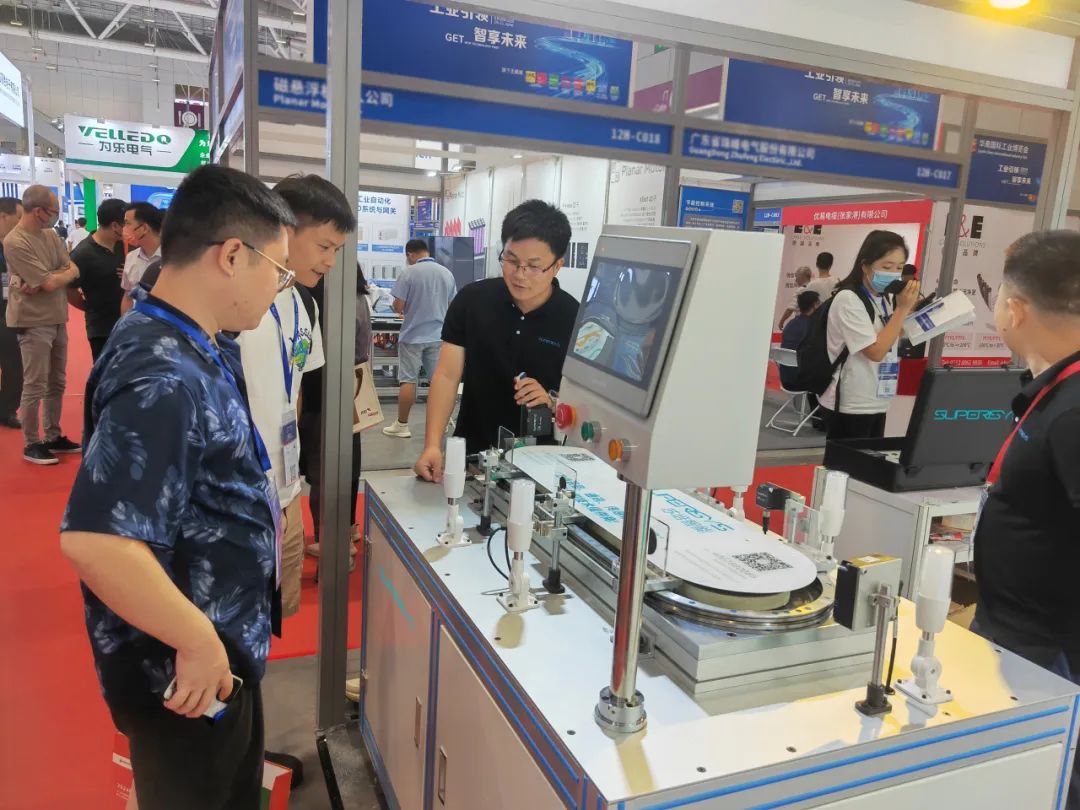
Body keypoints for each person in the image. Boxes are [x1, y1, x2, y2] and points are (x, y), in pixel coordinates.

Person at [59, 164, 296, 810]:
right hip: (186, 678)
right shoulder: (163, 373)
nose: (279, 289)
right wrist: (195, 640)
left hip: (211, 656)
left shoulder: (185, 339)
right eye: (278, 272)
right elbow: (97, 540)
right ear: (232, 256)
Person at [970, 231, 1080, 810]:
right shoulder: (1059, 389)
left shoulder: (1074, 410)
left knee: (1043, 780)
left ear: (1015, 310)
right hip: (1017, 634)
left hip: (1048, 651)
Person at [238, 174, 354, 625]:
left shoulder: (305, 304)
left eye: (337, 250)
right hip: (239, 496)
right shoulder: (238, 303)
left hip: (286, 496)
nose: (330, 262)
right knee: (229, 628)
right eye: (324, 246)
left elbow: (296, 389)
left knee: (272, 622)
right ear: (284, 229)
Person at [414, 199, 578, 480]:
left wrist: (553, 402)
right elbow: (447, 375)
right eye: (511, 260)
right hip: (472, 455)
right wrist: (432, 445)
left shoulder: (573, 318)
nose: (519, 274)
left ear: (557, 266)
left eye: (533, 266)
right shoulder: (472, 301)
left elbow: (588, 403)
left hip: (543, 463)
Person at [302, 264, 375, 569]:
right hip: (350, 390)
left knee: (322, 470)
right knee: (347, 464)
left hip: (320, 392)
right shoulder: (359, 298)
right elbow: (363, 348)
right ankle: (347, 530)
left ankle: (331, 542)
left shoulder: (313, 296)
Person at [4, 185, 82, 465]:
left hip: (58, 317)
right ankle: (31, 442)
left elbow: (72, 269)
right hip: (32, 321)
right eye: (53, 211)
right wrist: (53, 277)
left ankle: (52, 435)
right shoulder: (15, 241)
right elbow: (49, 282)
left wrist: (51, 277)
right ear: (38, 211)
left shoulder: (50, 235)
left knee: (57, 381)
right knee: (35, 383)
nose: (55, 216)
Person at [818, 230, 920, 440]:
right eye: (886, 267)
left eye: (899, 267)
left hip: (878, 396)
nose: (894, 273)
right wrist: (902, 309)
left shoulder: (884, 298)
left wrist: (915, 316)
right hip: (851, 402)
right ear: (865, 266)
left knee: (870, 459)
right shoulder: (848, 298)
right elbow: (875, 351)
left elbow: (890, 335)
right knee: (848, 460)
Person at [382, 238, 456, 439]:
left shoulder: (408, 273)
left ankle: (402, 425)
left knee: (408, 380)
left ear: (410, 254)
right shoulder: (446, 273)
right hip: (439, 336)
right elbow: (452, 307)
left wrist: (402, 307)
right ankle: (443, 422)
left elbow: (398, 307)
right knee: (439, 381)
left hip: (412, 336)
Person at [68, 198, 127, 361]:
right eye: (126, 224)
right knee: (104, 372)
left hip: (128, 324)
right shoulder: (83, 254)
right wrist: (88, 307)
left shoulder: (125, 245)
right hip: (102, 329)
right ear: (115, 226)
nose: (128, 229)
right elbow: (69, 288)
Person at [0, 196, 25, 428]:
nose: (21, 222)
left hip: (11, 312)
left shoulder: (18, 245)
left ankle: (7, 410)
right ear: (3, 216)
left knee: (14, 365)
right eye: (18, 217)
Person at [120, 202, 164, 314]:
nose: (123, 229)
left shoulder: (173, 258)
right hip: (136, 321)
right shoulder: (131, 257)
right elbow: (128, 296)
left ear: (144, 228)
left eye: (127, 224)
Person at [779, 289, 820, 390]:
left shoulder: (790, 324)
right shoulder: (813, 327)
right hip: (803, 381)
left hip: (785, 380)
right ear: (814, 305)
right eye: (819, 303)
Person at [778, 265, 813, 329]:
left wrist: (781, 321)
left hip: (801, 322)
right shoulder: (815, 288)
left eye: (797, 277)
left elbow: (790, 309)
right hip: (813, 322)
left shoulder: (800, 290)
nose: (796, 280)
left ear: (802, 277)